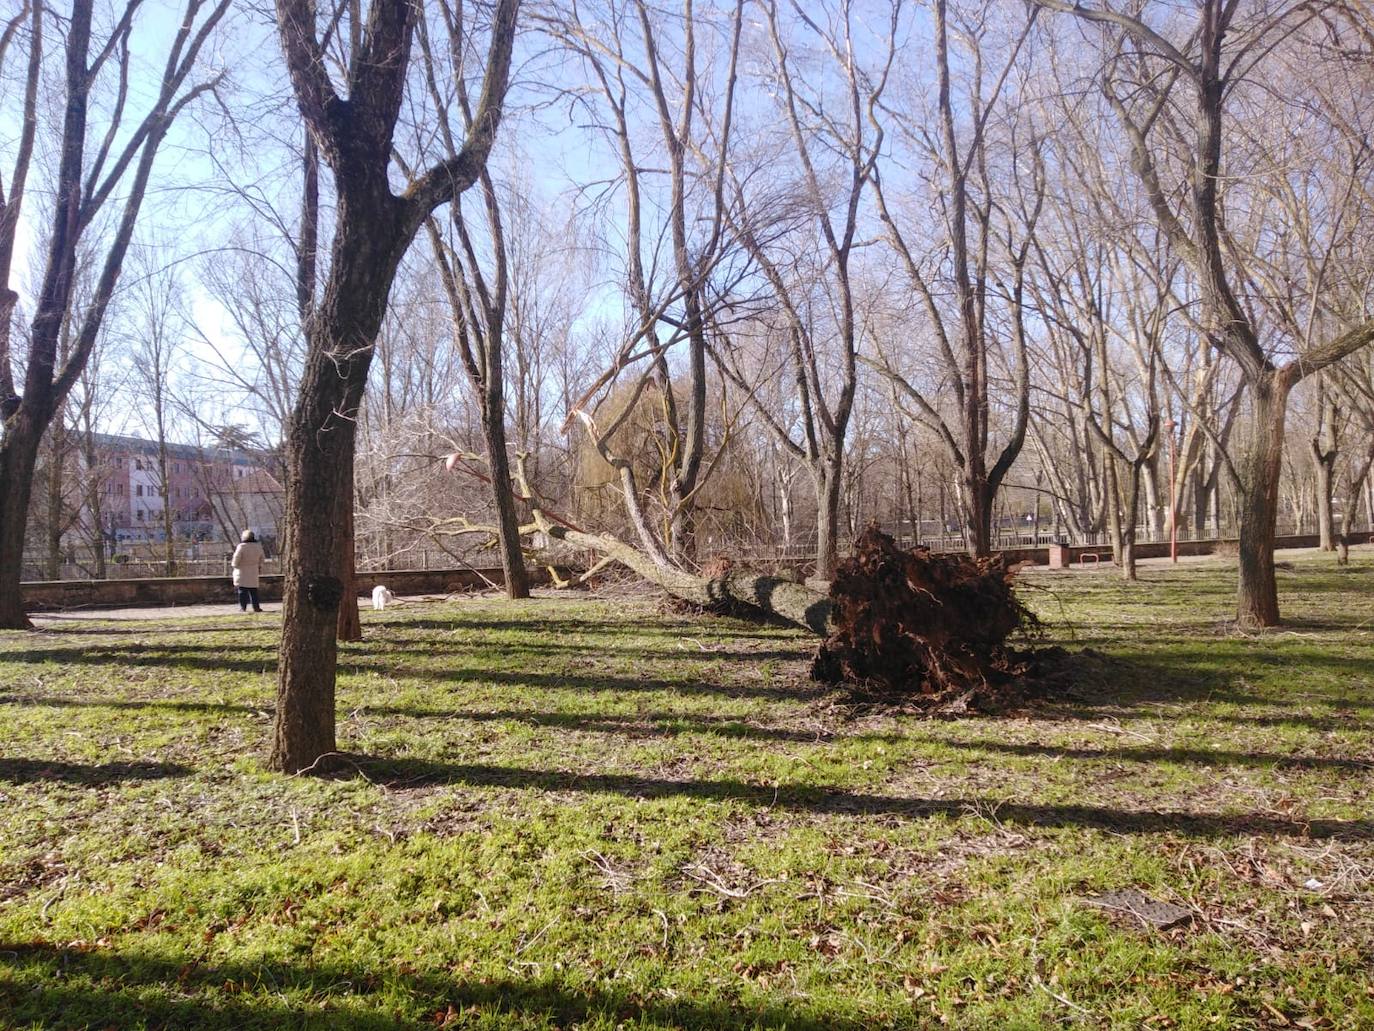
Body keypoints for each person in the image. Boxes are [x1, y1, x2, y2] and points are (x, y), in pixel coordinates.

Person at [231, 529, 265, 613]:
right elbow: (262, 558)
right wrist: (259, 566)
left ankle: (243, 607)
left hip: (242, 571)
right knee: (254, 591)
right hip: (254, 570)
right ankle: (256, 607)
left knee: (242, 590)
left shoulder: (242, 546)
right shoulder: (258, 546)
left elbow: (236, 559)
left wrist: (234, 565)